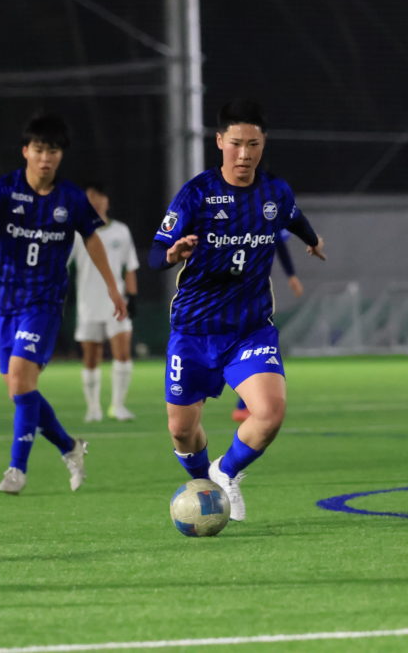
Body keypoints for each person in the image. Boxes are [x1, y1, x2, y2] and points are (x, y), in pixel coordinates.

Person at [150, 98, 326, 521]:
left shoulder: (274, 192)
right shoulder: (197, 194)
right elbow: (155, 254)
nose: (244, 154)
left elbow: (294, 217)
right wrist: (173, 254)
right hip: (194, 330)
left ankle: (225, 473)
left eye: (253, 144)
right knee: (181, 430)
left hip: (250, 328)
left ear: (263, 145)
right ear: (219, 142)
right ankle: (207, 489)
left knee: (270, 414)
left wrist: (312, 240)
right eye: (236, 144)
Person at [0, 112, 127, 495]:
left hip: (44, 304)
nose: (45, 158)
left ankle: (17, 470)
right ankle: (70, 446)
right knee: (20, 391)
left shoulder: (71, 198)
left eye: (53, 151)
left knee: (20, 380)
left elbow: (92, 240)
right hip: (4, 302)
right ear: (25, 151)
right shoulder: (5, 189)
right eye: (39, 149)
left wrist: (113, 288)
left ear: (61, 155)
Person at [69, 182, 140, 422]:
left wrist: (133, 297)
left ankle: (118, 406)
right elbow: (62, 263)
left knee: (123, 353)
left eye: (98, 196)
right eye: (89, 197)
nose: (95, 201)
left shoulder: (121, 231)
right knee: (91, 358)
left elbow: (130, 266)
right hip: (88, 304)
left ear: (107, 201)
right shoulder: (77, 233)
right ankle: (93, 408)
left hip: (116, 303)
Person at [231, 232, 304, 422]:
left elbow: (279, 243)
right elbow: (280, 242)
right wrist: (291, 275)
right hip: (246, 296)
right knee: (254, 347)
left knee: (250, 347)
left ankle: (244, 405)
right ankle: (245, 404)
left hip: (241, 295)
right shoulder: (258, 221)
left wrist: (291, 275)